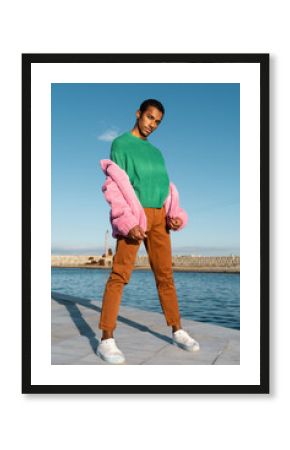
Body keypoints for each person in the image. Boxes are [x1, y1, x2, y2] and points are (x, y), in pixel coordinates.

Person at [97, 99, 200, 364]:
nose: (152, 124)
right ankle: (106, 339)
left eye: (157, 121)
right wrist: (127, 221)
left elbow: (165, 187)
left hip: (160, 220)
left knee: (166, 276)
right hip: (135, 217)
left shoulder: (157, 153)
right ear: (138, 114)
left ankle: (177, 329)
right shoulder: (120, 144)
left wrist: (173, 216)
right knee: (120, 274)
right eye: (149, 117)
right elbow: (115, 186)